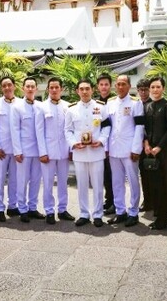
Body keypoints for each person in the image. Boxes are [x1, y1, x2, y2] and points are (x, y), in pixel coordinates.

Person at [65, 79, 111, 227]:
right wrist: (73, 143)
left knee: (98, 184)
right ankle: (84, 213)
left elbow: (106, 126)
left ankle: (98, 214)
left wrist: (102, 140)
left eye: (87, 89)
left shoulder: (101, 107)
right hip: (80, 153)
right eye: (81, 89)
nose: (84, 92)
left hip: (96, 151)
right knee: (82, 185)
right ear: (77, 91)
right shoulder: (71, 109)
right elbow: (68, 130)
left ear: (92, 90)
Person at [106, 75, 144, 227]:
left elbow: (140, 127)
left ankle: (133, 212)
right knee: (116, 182)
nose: (120, 87)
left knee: (133, 181)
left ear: (129, 86)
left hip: (129, 150)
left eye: (123, 84)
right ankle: (120, 211)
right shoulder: (110, 103)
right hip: (114, 149)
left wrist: (136, 149)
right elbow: (107, 126)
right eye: (118, 84)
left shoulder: (136, 103)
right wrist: (107, 148)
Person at [35, 77, 75, 224]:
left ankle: (63, 209)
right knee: (47, 182)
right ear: (47, 89)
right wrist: (42, 152)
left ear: (61, 89)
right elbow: (39, 131)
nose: (54, 90)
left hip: (64, 151)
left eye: (56, 87)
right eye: (51, 87)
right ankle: (49, 211)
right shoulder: (41, 107)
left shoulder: (68, 106)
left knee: (63, 182)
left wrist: (72, 149)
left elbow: (71, 130)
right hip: (48, 153)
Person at [143, 76, 167, 230]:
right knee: (154, 184)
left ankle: (164, 217)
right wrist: (147, 143)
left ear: (163, 88)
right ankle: (158, 214)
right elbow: (145, 128)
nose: (155, 90)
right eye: (153, 87)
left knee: (164, 183)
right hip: (150, 151)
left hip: (164, 152)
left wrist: (160, 147)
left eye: (158, 87)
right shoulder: (148, 106)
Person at [11, 77, 45, 222]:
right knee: (22, 181)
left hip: (38, 150)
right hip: (24, 150)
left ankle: (32, 207)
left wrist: (44, 151)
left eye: (33, 86)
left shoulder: (40, 106)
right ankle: (22, 209)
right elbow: (14, 130)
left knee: (36, 180)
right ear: (23, 88)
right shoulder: (17, 107)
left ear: (36, 89)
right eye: (28, 86)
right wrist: (17, 151)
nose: (30, 89)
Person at [0, 76, 20, 221]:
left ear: (14, 86)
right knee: (0, 179)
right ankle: (0, 208)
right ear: (1, 88)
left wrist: (20, 149)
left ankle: (12, 206)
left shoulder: (21, 103)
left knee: (15, 180)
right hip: (0, 150)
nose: (7, 88)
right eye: (4, 85)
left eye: (9, 85)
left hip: (16, 150)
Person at [96, 73, 115, 215]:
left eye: (106, 84)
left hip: (114, 144)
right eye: (101, 84)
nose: (104, 87)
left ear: (110, 86)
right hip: (100, 144)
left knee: (113, 174)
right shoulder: (95, 104)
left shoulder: (115, 101)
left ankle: (115, 202)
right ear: (97, 87)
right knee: (104, 174)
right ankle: (108, 200)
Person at [136, 78, 153, 212]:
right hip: (137, 144)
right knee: (143, 174)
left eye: (145, 89)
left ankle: (153, 200)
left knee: (151, 174)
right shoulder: (135, 105)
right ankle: (146, 200)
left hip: (150, 144)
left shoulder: (152, 105)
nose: (143, 92)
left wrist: (146, 140)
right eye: (140, 90)